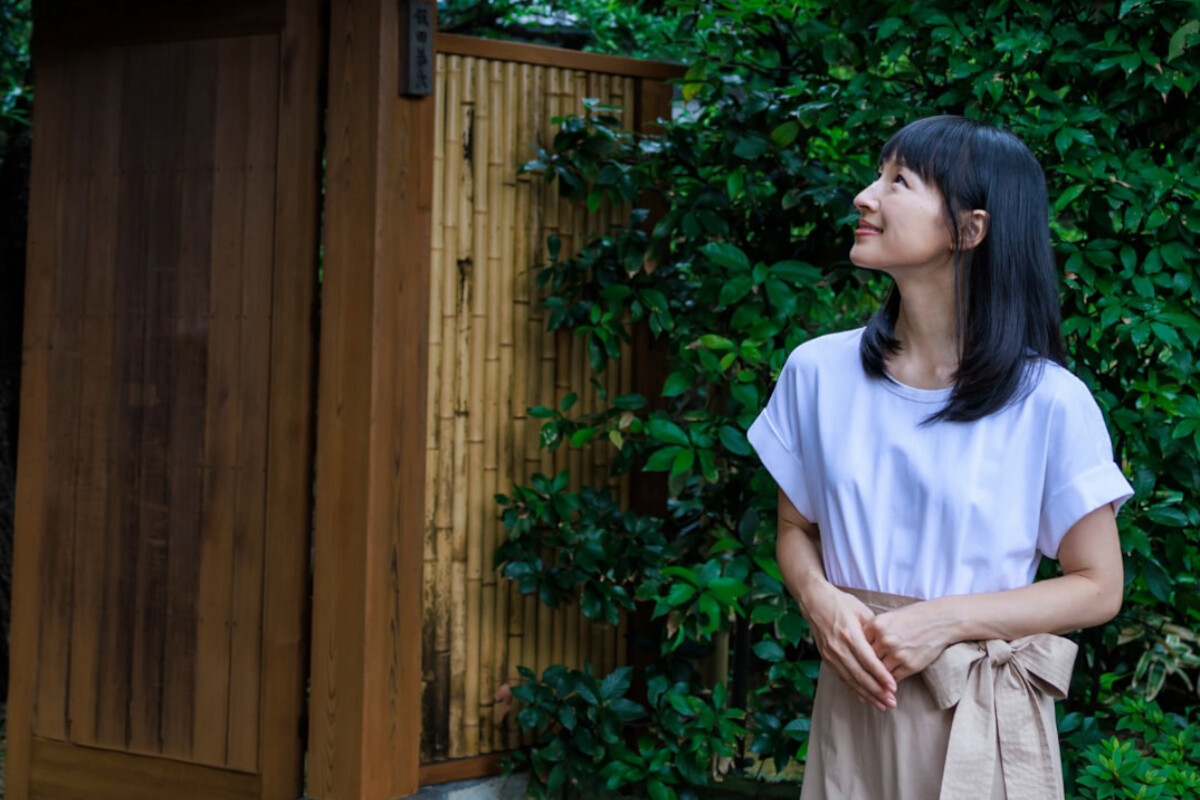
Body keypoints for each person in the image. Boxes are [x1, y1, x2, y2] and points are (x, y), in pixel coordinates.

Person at [746, 115, 1134, 800]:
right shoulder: (818, 372)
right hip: (856, 703)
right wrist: (820, 601)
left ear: (969, 229)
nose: (865, 196)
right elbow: (795, 528)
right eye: (878, 174)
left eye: (899, 181)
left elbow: (1098, 586)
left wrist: (943, 621)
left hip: (977, 718)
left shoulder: (1049, 402)